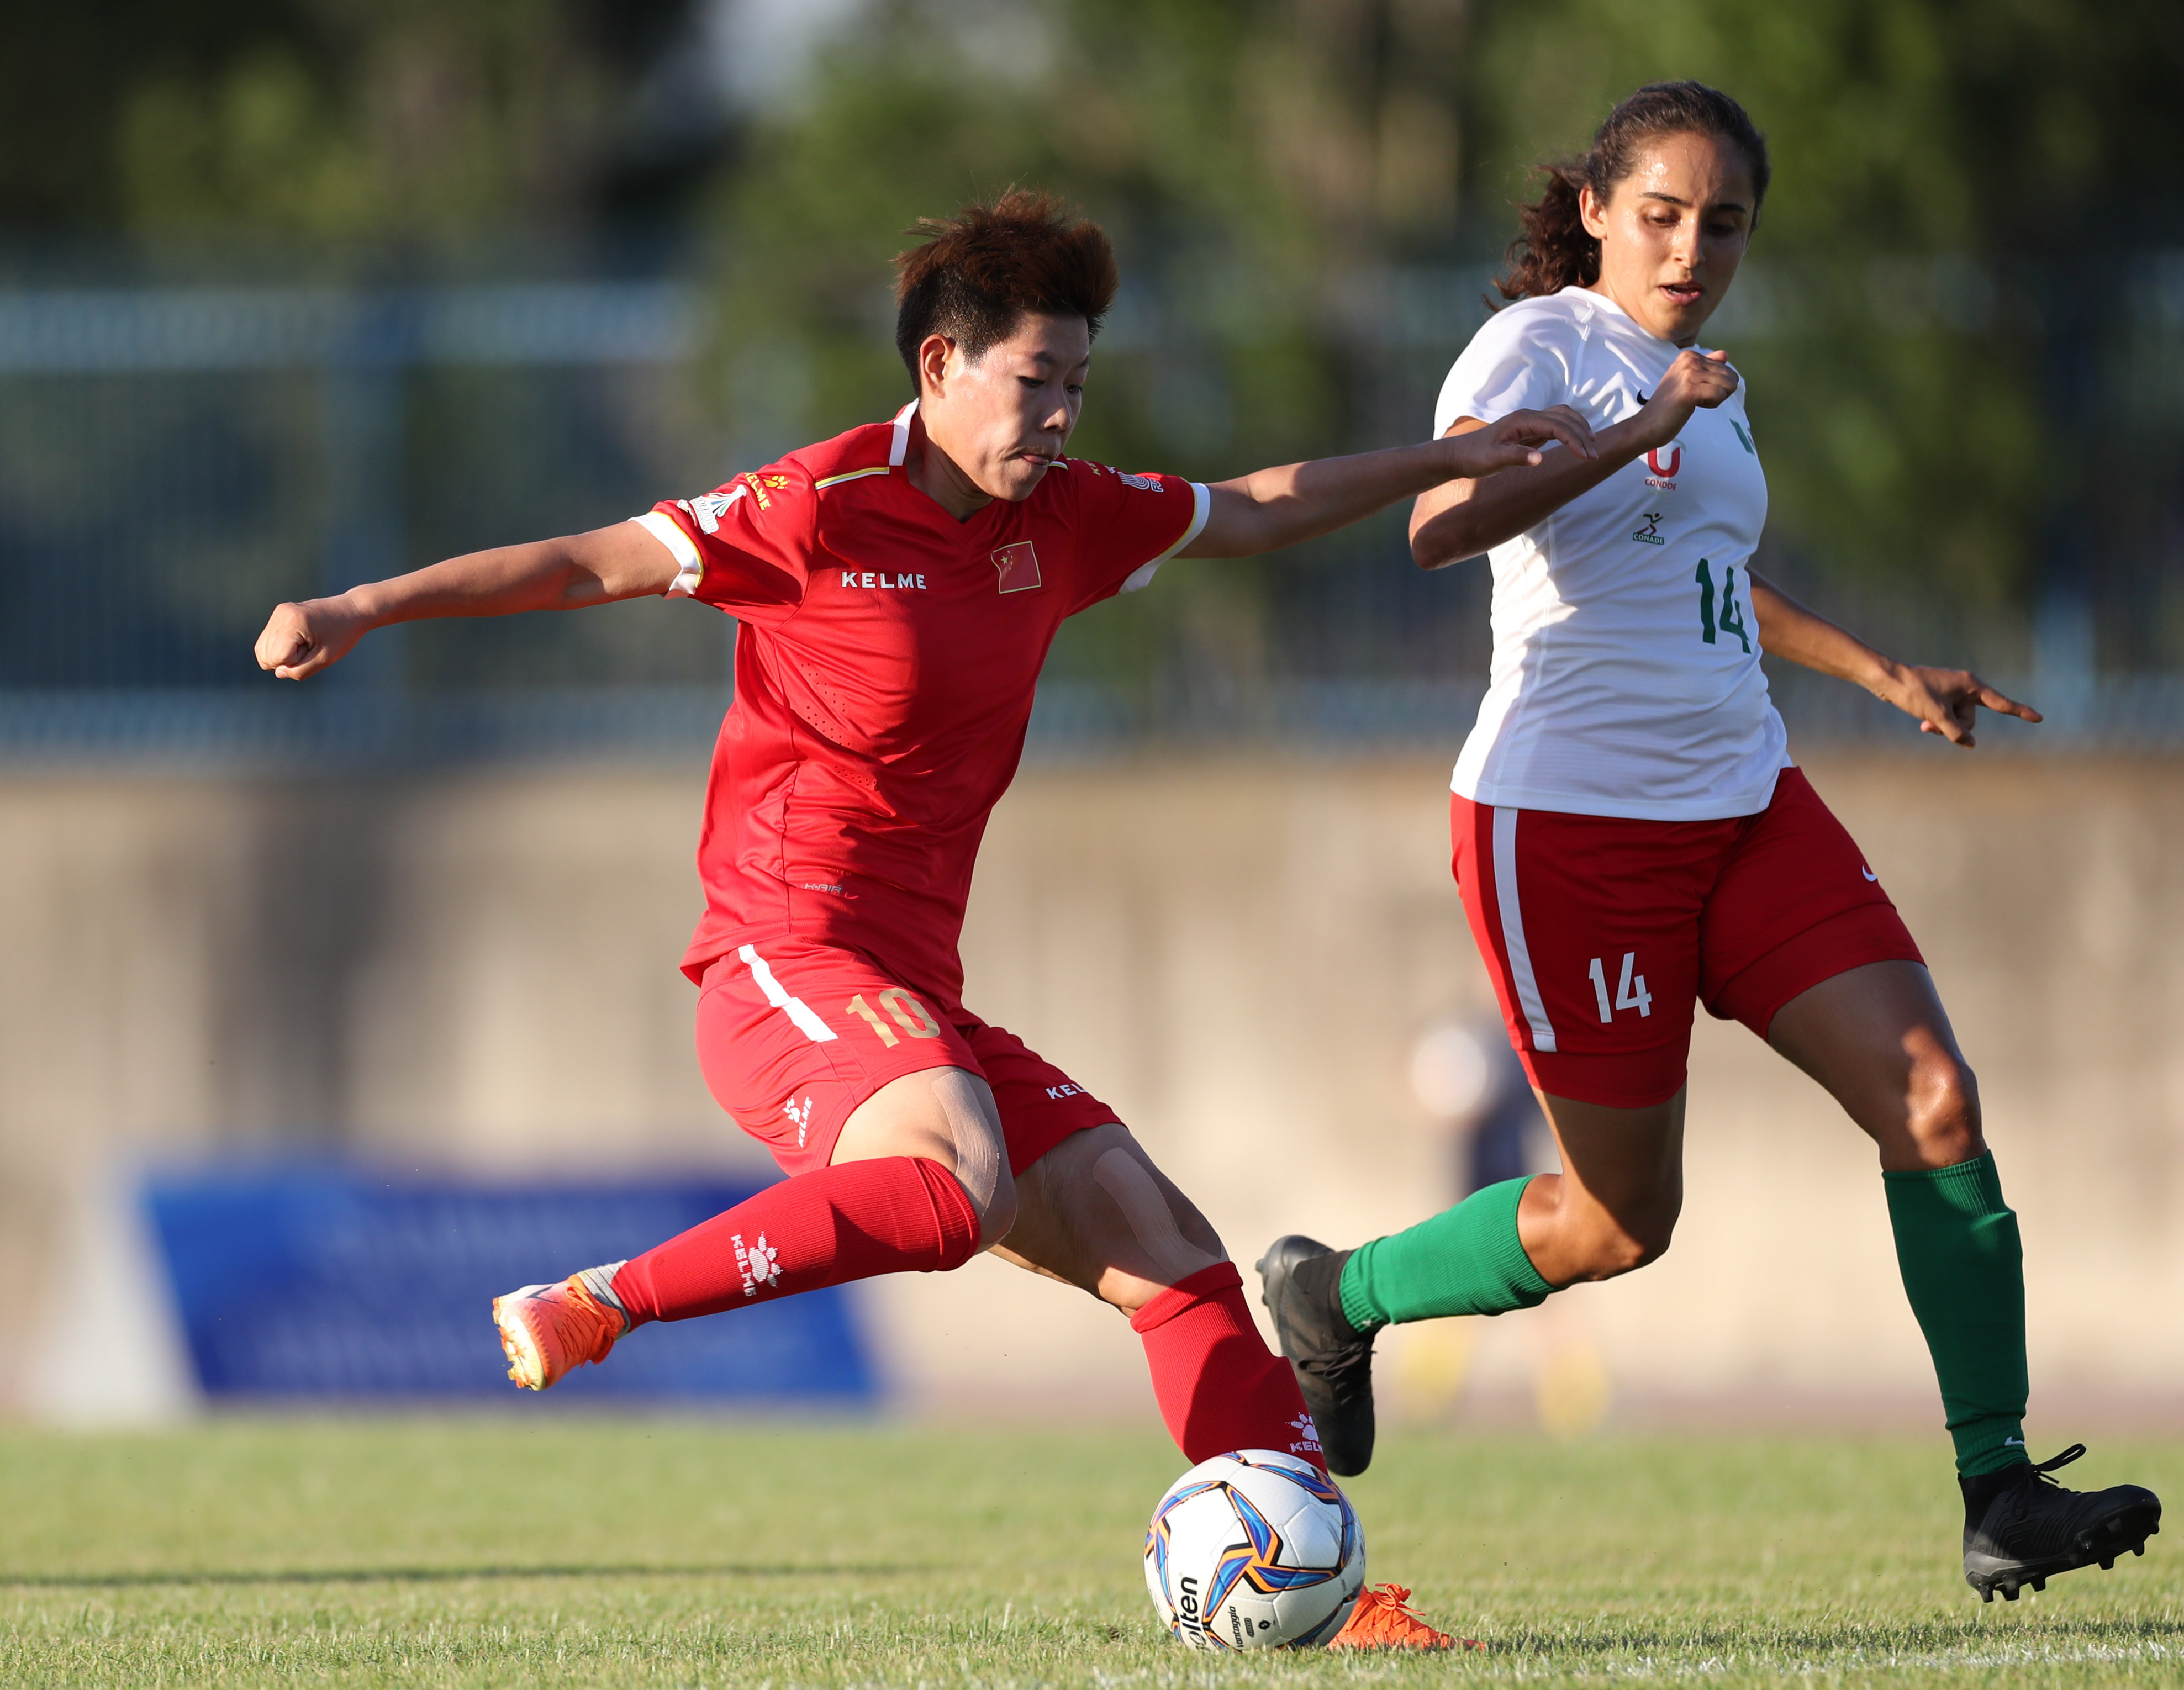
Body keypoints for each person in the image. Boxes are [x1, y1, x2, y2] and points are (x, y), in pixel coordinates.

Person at [254, 191, 1592, 1649]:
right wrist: (366, 604)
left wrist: (1446, 455)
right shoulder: (812, 508)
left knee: (1168, 1246)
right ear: (940, 363)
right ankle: (597, 1299)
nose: (1063, 412)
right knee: (952, 1171)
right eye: (1037, 379)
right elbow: (590, 560)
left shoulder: (1066, 517)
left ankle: (1324, 1598)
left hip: (910, 986)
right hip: (779, 955)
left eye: (1079, 380)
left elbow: (1252, 505)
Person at [1255, 82, 2162, 1605]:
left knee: (1933, 1096)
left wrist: (1881, 671)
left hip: (1745, 801)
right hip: (1567, 829)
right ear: (1599, 211)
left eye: (1722, 222)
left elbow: (1709, 577)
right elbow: (1437, 531)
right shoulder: (1536, 349)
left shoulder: (1709, 381)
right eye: (1661, 214)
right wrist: (1642, 423)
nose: (1690, 247)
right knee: (1618, 1223)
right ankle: (1334, 1293)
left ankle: (1996, 1489)